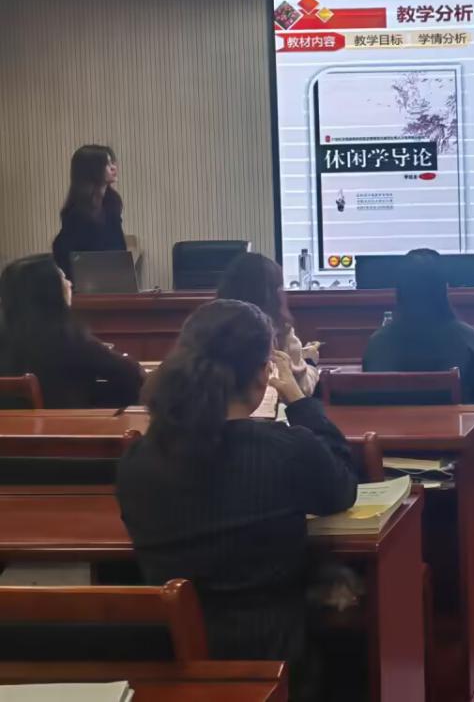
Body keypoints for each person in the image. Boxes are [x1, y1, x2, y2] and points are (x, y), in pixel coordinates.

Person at [117, 299, 357, 698]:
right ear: (264, 375)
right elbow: (341, 488)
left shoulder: (138, 459)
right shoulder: (286, 449)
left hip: (173, 660)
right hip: (277, 656)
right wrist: (301, 402)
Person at [0, 254, 144, 407]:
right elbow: (132, 375)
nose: (70, 284)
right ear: (49, 292)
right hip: (59, 422)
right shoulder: (66, 337)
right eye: (63, 278)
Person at [362, 249, 474, 402]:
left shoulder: (377, 343)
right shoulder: (468, 339)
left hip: (391, 418)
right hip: (452, 418)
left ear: (399, 291)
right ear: (444, 288)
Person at [216, 252, 319, 397]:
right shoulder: (280, 332)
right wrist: (310, 362)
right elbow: (302, 389)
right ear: (276, 295)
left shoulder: (210, 328)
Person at [52, 144, 126, 279]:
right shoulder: (75, 215)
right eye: (107, 164)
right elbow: (71, 263)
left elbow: (120, 252)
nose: (114, 168)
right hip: (84, 286)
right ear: (92, 170)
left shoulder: (112, 204)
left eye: (112, 162)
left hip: (113, 282)